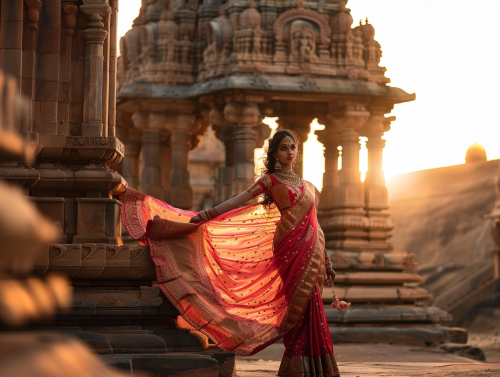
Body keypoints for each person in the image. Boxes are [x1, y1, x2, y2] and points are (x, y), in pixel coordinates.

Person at [119, 129, 341, 377]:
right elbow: (239, 200)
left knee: (312, 308)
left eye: (292, 147)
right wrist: (207, 215)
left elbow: (315, 225)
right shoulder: (270, 181)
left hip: (311, 250)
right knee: (296, 311)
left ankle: (318, 367)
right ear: (274, 154)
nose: (290, 152)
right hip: (289, 250)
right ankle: (298, 368)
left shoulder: (309, 186)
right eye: (284, 148)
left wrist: (327, 260)